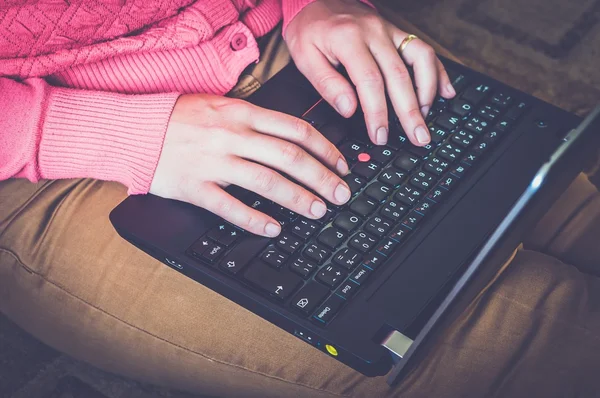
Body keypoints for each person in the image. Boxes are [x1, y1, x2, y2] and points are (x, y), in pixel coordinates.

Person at [1, 1, 600, 397]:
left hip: (276, 35)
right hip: (52, 149)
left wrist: (315, 2)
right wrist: (87, 132)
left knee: (556, 201)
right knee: (531, 343)